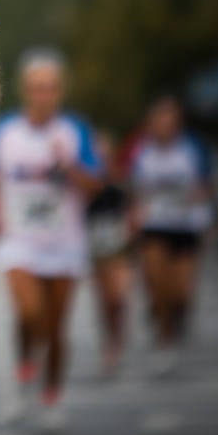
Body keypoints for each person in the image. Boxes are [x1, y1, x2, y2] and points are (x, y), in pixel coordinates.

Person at [0, 49, 101, 431]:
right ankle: (23, 363)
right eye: (36, 88)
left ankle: (52, 396)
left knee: (55, 328)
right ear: (26, 91)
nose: (42, 96)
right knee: (28, 312)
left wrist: (69, 167)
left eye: (50, 88)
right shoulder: (6, 131)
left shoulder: (74, 132)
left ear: (59, 92)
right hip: (19, 240)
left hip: (64, 241)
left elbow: (95, 185)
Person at [128, 94, 215, 375]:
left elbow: (208, 184)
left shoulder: (192, 148)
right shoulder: (141, 149)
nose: (164, 125)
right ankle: (163, 335)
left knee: (181, 292)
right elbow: (131, 185)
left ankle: (176, 317)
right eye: (159, 120)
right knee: (156, 281)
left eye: (170, 120)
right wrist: (133, 214)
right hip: (154, 225)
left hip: (186, 226)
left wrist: (204, 207)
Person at [86, 129, 133, 377]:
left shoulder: (119, 182)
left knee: (118, 297)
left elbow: (133, 205)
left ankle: (117, 341)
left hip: (119, 247)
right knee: (104, 300)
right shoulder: (87, 185)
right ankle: (109, 346)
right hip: (96, 249)